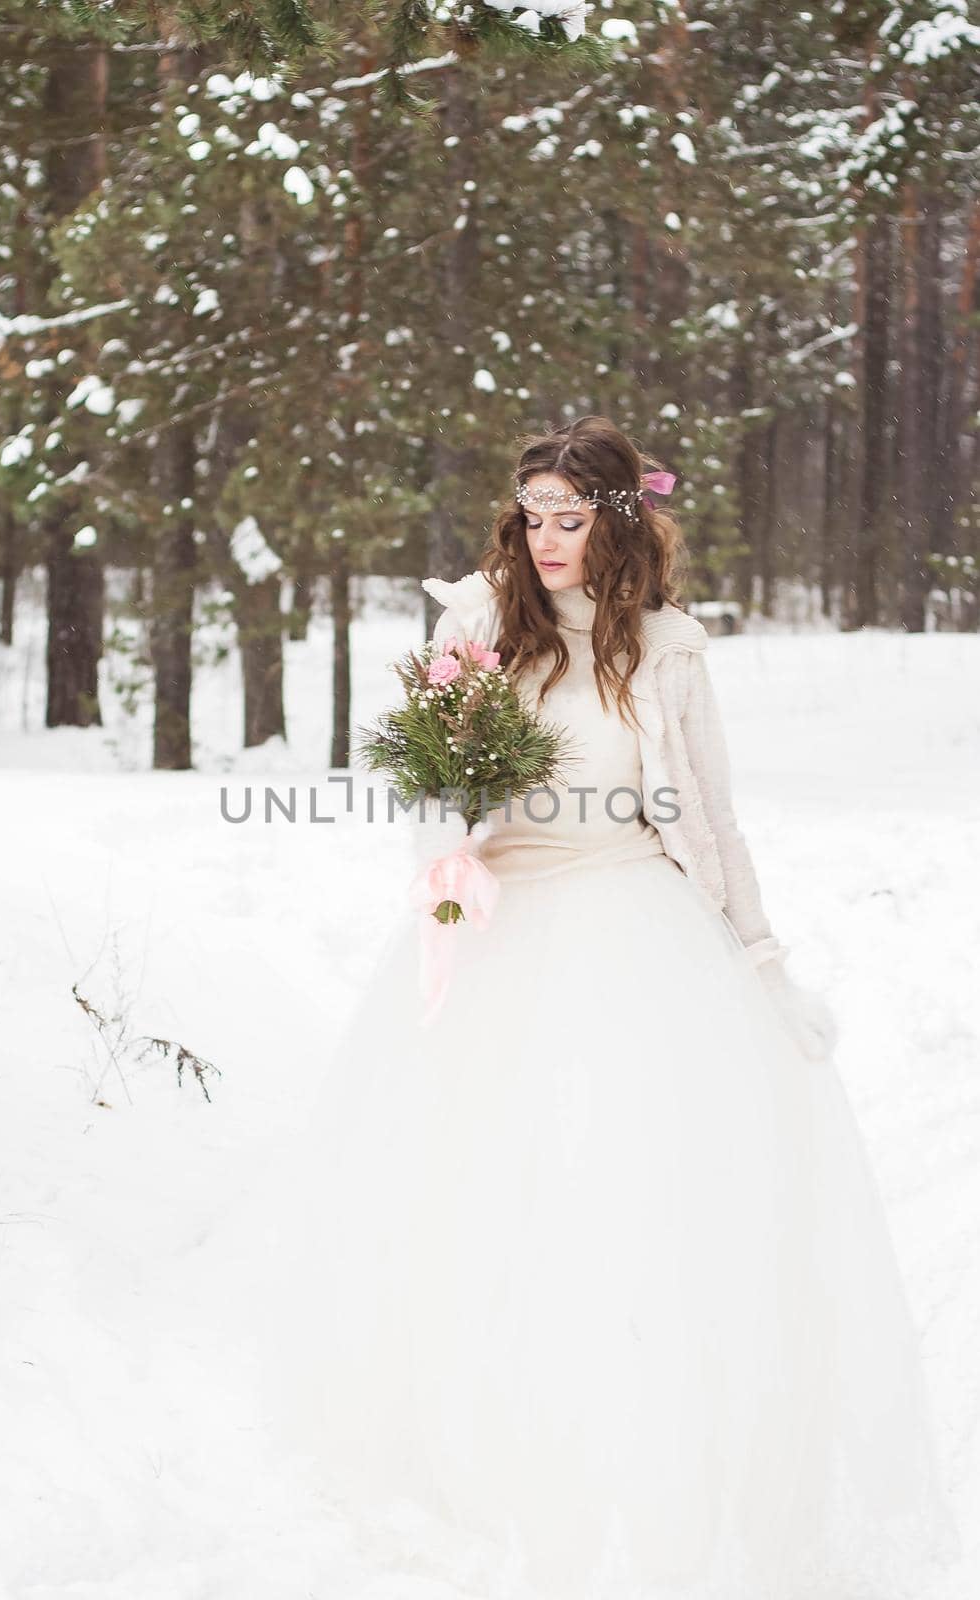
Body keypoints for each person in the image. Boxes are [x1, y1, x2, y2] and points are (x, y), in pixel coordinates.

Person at [261, 416, 959, 1600]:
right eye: (530, 514)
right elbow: (432, 792)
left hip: (638, 926)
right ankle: (493, 1475)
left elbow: (715, 817)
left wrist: (762, 960)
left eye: (569, 517)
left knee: (639, 1209)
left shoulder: (670, 646)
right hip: (496, 927)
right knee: (485, 1205)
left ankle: (651, 1471)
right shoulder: (476, 623)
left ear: (618, 520)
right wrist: (443, 885)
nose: (544, 539)